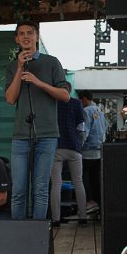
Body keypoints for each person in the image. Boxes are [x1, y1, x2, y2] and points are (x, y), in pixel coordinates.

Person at [4, 20, 70, 220]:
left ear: (36, 36)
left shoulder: (52, 62)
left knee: (40, 189)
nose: (25, 36)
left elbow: (66, 96)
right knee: (18, 190)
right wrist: (19, 68)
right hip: (21, 135)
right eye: (21, 33)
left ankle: (37, 236)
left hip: (47, 134)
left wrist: (39, 83)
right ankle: (17, 236)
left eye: (30, 33)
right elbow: (10, 99)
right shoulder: (12, 66)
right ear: (17, 39)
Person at [49, 91, 87, 227]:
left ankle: (56, 219)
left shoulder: (52, 103)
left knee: (56, 184)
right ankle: (83, 217)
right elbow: (81, 128)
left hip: (56, 147)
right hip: (73, 146)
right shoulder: (76, 103)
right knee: (78, 181)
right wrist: (79, 143)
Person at [78, 90, 106, 213]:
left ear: (84, 99)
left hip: (87, 150)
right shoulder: (100, 111)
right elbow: (105, 129)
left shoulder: (86, 111)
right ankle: (99, 205)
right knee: (96, 180)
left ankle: (90, 201)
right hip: (99, 150)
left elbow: (85, 131)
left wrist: (78, 146)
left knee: (83, 177)